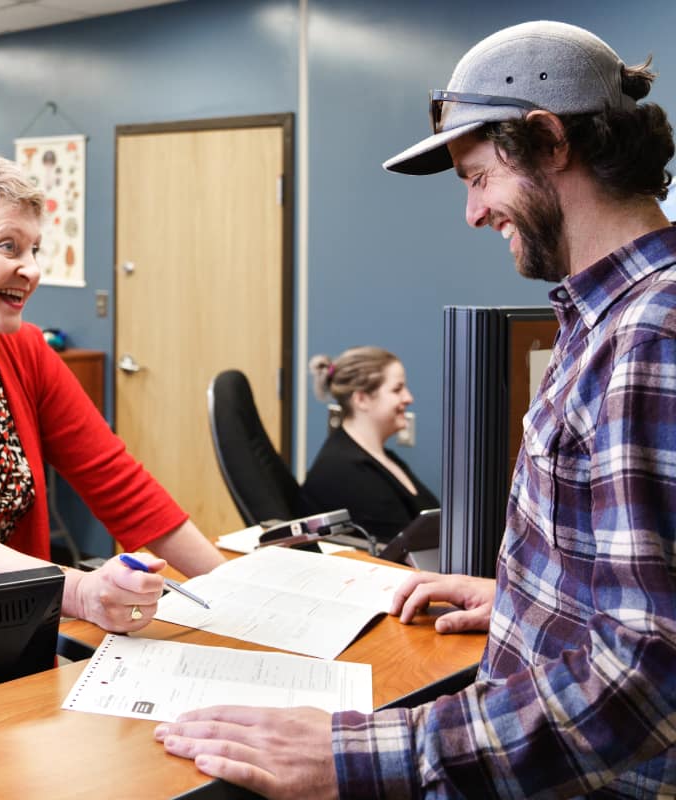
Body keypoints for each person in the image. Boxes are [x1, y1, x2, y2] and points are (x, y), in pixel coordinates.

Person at [154, 20, 676, 798]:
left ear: (548, 141)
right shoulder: (605, 319)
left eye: (477, 177)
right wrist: (524, 602)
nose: (472, 213)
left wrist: (360, 756)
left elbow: (645, 677)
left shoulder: (650, 337)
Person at [0, 152, 224, 634]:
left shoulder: (23, 349)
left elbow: (116, 481)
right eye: (8, 246)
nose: (32, 269)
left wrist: (230, 588)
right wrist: (78, 590)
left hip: (16, 636)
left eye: (34, 250)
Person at [303, 347, 438, 542]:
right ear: (361, 399)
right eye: (397, 389)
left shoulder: (384, 457)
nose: (408, 398)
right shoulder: (345, 472)